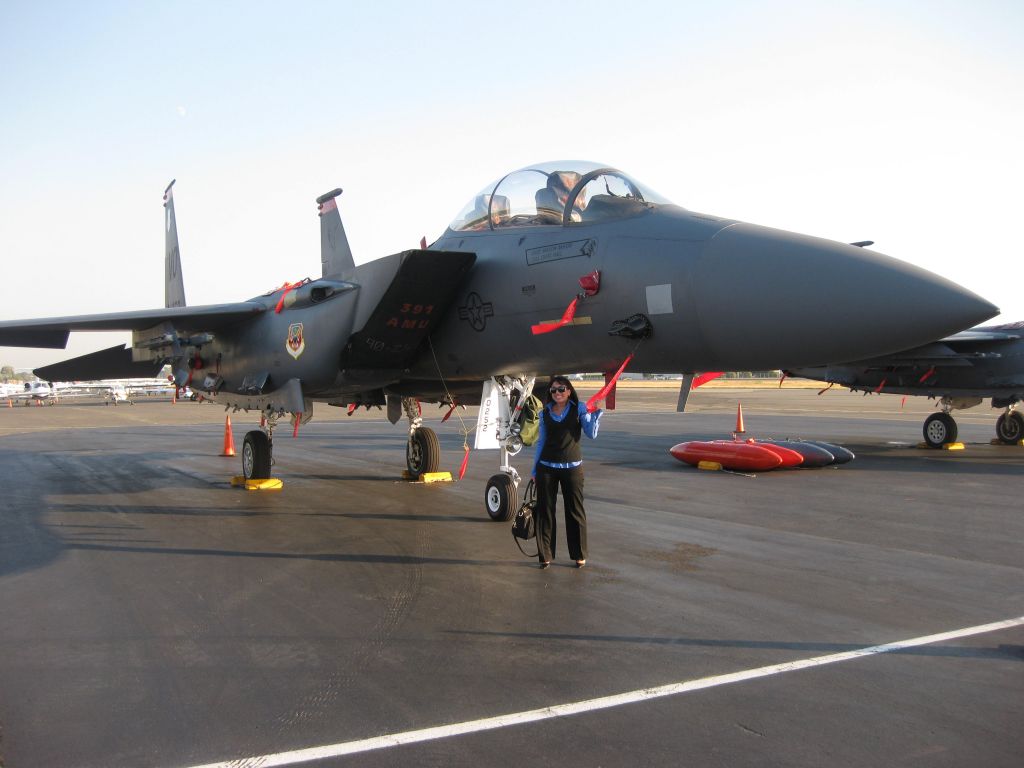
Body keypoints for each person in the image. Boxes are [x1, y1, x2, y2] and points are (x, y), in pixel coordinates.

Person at [531, 375, 604, 569]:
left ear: (569, 390)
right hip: (546, 468)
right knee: (545, 512)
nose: (557, 393)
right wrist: (534, 469)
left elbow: (591, 433)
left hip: (572, 468)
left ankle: (579, 554)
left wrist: (594, 413)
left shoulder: (578, 408)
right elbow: (541, 442)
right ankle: (545, 555)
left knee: (575, 512)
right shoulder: (545, 412)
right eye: (553, 390)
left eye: (561, 389)